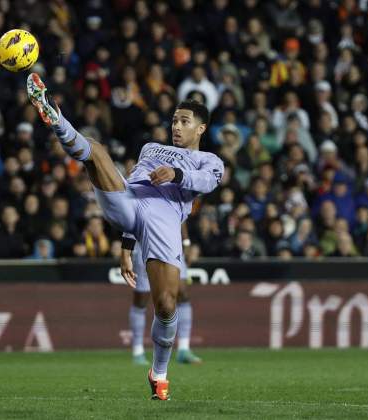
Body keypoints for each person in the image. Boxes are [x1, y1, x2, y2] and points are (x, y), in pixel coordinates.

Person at [28, 73, 223, 400]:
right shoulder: (151, 148)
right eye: (174, 120)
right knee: (98, 154)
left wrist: (176, 174)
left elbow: (206, 182)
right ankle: (56, 118)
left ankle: (159, 372)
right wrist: (126, 245)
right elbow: (132, 180)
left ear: (200, 128)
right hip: (131, 201)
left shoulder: (209, 160)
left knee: (164, 304)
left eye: (184, 122)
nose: (176, 126)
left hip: (165, 217)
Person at [127, 222, 202, 366]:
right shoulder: (142, 199)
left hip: (172, 246)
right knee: (141, 299)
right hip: (145, 245)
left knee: (183, 294)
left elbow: (182, 217)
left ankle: (184, 349)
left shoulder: (175, 199)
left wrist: (186, 242)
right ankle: (137, 351)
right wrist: (127, 248)